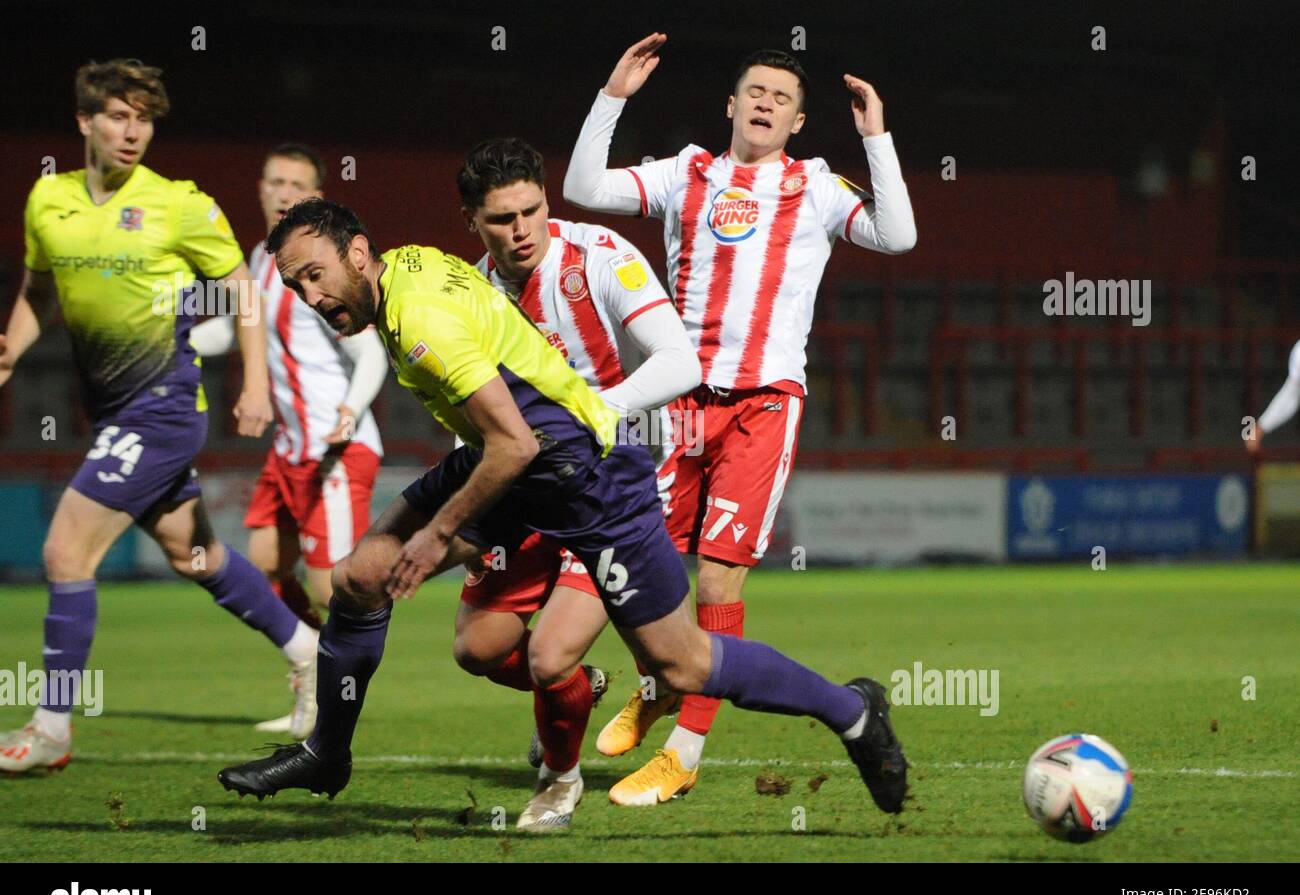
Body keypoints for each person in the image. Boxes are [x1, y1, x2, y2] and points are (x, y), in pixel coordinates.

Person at [215, 198, 908, 820]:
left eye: (316, 274)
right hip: (516, 456)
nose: (310, 295)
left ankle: (852, 711)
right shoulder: (407, 267)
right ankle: (327, 754)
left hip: (583, 474)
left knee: (681, 666)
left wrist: (439, 535)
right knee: (361, 577)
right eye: (297, 283)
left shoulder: (418, 318)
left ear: (358, 253)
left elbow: (513, 443)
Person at [563, 36, 917, 802]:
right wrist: (613, 96)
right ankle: (662, 681)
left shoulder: (817, 187)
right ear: (731, 105)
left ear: (796, 123)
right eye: (754, 91)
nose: (765, 103)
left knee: (719, 573)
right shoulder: (684, 173)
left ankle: (683, 757)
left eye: (781, 98)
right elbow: (583, 185)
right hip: (679, 400)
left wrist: (876, 139)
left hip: (762, 402)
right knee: (640, 562)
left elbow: (899, 236)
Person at [0, 59, 318, 773]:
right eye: (118, 115)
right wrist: (11, 352)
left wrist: (255, 384)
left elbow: (241, 290)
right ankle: (311, 654)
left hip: (163, 410)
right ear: (85, 121)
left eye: (144, 118)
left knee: (63, 553)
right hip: (111, 413)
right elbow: (37, 289)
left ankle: (51, 729)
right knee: (196, 555)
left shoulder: (179, 204)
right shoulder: (47, 201)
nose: (132, 130)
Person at [450, 137, 699, 827]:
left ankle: (559, 782)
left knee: (553, 654)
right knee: (477, 649)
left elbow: (680, 360)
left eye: (532, 210)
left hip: (605, 493)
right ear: (471, 219)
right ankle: (583, 691)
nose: (521, 228)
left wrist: (599, 412)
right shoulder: (466, 297)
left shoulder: (598, 257)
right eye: (502, 219)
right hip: (524, 494)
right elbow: (467, 412)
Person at [190, 143, 387, 738]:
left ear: (318, 198)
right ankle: (309, 668)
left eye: (297, 185)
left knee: (334, 589)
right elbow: (235, 329)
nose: (282, 192)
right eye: (274, 180)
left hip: (334, 446)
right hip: (289, 448)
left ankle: (336, 699)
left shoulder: (319, 267)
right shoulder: (261, 258)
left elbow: (369, 348)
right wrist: (171, 342)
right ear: (259, 188)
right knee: (267, 566)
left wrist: (349, 412)